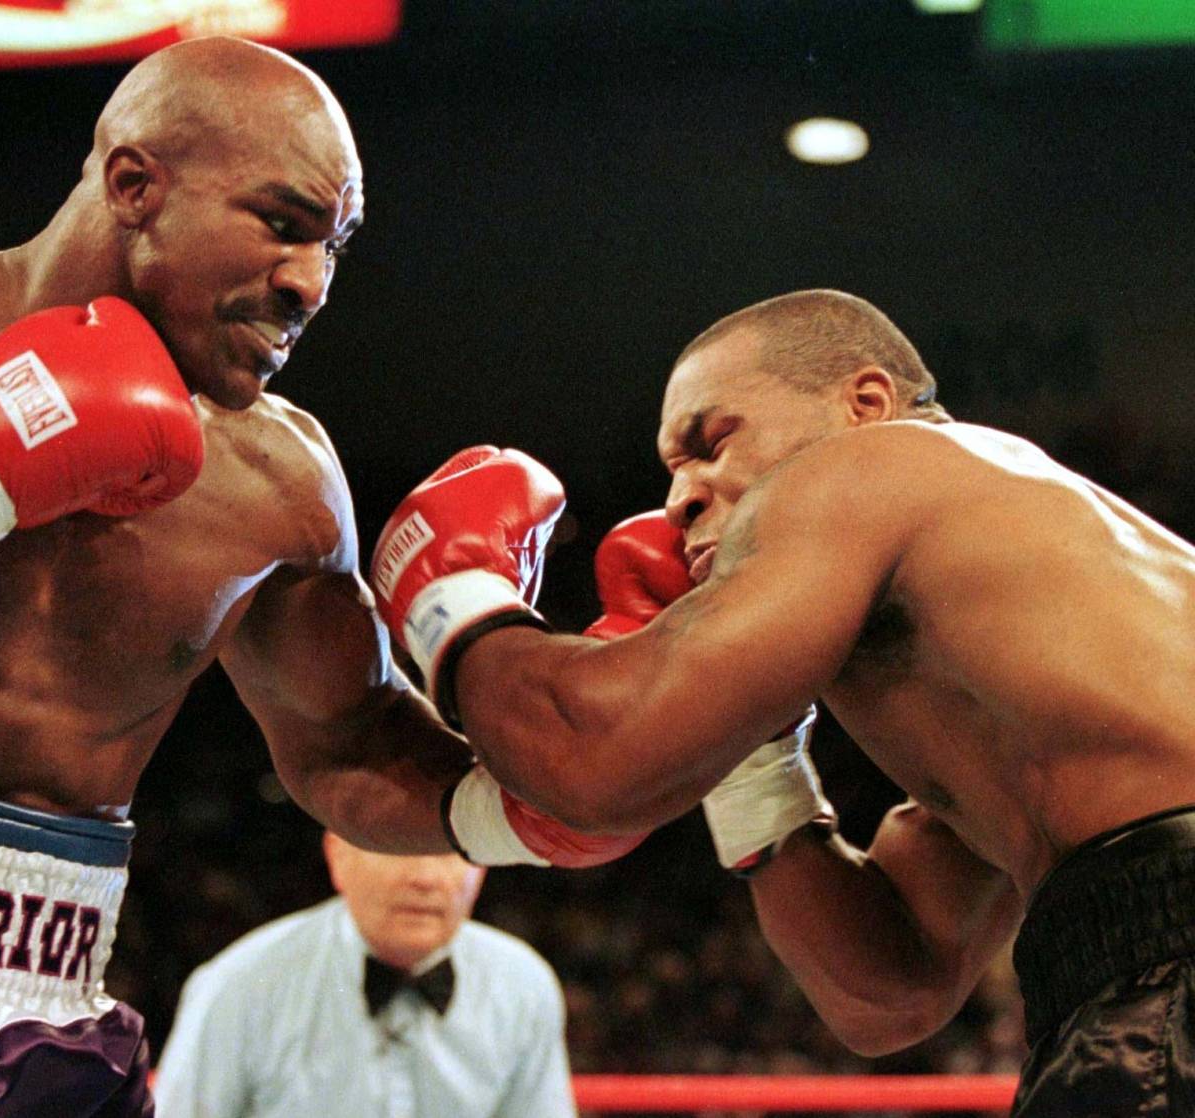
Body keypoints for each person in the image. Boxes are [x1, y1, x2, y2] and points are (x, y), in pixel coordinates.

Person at [0, 35, 639, 1116]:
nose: (310, 283)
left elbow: (345, 748)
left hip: (46, 1016)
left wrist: (522, 807)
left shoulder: (281, 479)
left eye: (333, 246)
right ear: (134, 185)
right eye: (282, 224)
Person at [371, 288, 1195, 1115]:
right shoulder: (1032, 695)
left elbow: (591, 759)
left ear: (865, 405)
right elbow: (887, 996)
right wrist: (753, 759)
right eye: (671, 472)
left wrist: (455, 600)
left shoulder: (879, 462)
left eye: (711, 443)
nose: (677, 500)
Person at [153, 831, 577, 1118]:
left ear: (482, 867)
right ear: (337, 854)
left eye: (453, 852)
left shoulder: (523, 986)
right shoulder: (241, 983)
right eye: (398, 849)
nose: (425, 878)